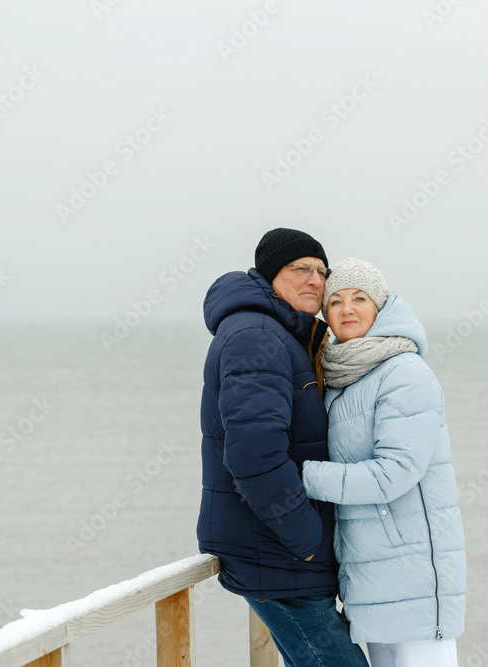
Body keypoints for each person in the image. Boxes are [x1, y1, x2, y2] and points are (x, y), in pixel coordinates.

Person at [196, 229, 369, 667]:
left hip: (280, 555)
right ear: (270, 275)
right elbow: (255, 455)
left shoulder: (280, 332)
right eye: (301, 269)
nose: (315, 279)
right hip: (279, 556)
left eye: (321, 271)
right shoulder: (257, 335)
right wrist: (306, 539)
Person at [301, 258, 467, 667]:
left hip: (413, 575)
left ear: (381, 306)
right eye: (335, 301)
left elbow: (394, 473)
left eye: (360, 298)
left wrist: (302, 477)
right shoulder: (342, 375)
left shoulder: (403, 373)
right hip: (369, 575)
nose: (347, 309)